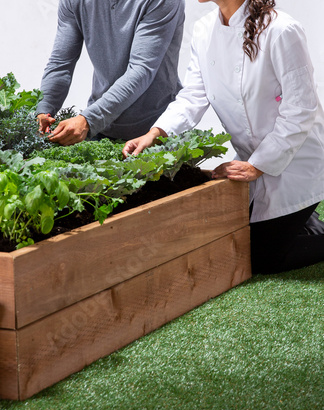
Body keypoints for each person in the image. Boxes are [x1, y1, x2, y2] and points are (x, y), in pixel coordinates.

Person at [122, 0, 324, 274]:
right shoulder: (204, 30)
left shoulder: (282, 30)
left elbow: (301, 109)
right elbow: (193, 94)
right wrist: (155, 133)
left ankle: (302, 217)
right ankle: (304, 221)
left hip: (295, 163)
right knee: (234, 238)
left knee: (263, 258)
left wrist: (258, 165)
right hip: (250, 159)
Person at [36, 0, 185, 146]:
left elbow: (141, 71)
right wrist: (44, 110)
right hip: (102, 130)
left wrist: (88, 120)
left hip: (157, 131)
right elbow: (61, 63)